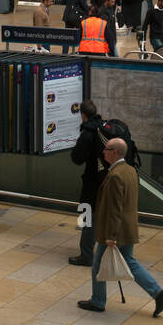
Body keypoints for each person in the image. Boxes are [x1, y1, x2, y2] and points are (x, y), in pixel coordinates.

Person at [77, 137, 163, 317]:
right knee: (130, 261)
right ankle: (159, 293)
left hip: (115, 231)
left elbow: (114, 208)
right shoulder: (129, 170)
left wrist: (111, 235)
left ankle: (98, 301)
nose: (103, 152)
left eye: (106, 149)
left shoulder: (115, 176)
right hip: (128, 228)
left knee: (97, 265)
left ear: (114, 152)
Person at [68, 100, 108, 265]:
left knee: (87, 216)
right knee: (104, 215)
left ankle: (86, 255)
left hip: (91, 180)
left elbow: (77, 158)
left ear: (82, 115)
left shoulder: (87, 133)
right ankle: (105, 251)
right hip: (106, 178)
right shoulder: (104, 127)